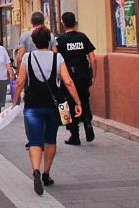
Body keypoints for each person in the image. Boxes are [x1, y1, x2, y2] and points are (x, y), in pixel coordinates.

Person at [12, 27, 83, 196]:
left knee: (35, 141)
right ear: (50, 41)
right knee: (50, 140)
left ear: (34, 42)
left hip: (32, 106)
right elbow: (68, 81)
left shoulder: (27, 58)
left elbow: (20, 81)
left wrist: (15, 101)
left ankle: (35, 170)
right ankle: (46, 174)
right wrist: (78, 102)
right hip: (54, 107)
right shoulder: (57, 57)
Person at [57, 12, 97, 144]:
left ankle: (74, 134)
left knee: (68, 104)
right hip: (83, 74)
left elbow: (56, 59)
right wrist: (93, 75)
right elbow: (92, 58)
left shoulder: (60, 39)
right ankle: (87, 122)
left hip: (68, 76)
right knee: (84, 99)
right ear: (75, 22)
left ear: (63, 23)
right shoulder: (82, 37)